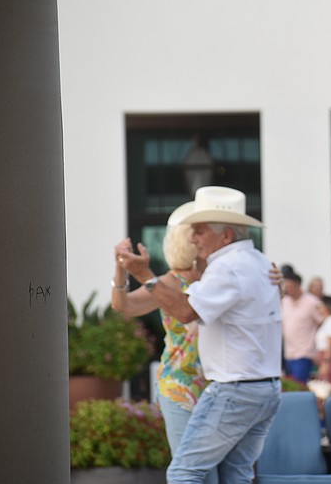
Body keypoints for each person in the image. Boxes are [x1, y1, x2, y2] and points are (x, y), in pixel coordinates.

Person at [117, 186, 282, 484]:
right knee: (236, 475)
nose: (192, 237)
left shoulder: (227, 268)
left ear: (227, 235)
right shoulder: (260, 263)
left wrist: (144, 275)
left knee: (185, 473)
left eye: (200, 230)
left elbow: (185, 311)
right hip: (264, 389)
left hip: (235, 389)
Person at [112, 202, 217, 484]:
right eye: (196, 233)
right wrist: (121, 269)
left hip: (216, 389)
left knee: (212, 473)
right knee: (190, 470)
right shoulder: (168, 282)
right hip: (180, 386)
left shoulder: (217, 279)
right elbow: (123, 306)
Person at [279, 264, 323, 384]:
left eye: (290, 287)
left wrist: (318, 347)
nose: (287, 290)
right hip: (288, 354)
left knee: (299, 386)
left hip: (304, 353)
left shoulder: (312, 302)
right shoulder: (284, 302)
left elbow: (323, 324)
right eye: (286, 287)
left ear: (298, 286)